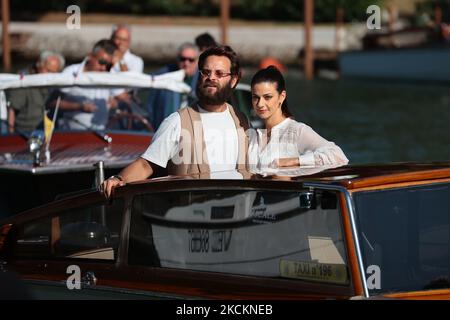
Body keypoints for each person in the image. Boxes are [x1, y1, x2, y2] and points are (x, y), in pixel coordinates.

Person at [101, 45, 249, 198]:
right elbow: (146, 165)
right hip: (192, 218)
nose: (211, 77)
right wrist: (119, 179)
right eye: (206, 72)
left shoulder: (242, 121)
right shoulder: (176, 121)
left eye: (219, 73)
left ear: (234, 80)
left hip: (239, 216)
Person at [248, 65, 348, 172]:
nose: (260, 104)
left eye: (267, 97)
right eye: (256, 97)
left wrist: (294, 161)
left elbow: (339, 157)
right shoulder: (254, 136)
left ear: (282, 96)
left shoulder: (296, 131)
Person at [55, 39, 125, 130]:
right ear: (90, 56)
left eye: (107, 65)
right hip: (71, 134)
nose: (104, 68)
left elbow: (125, 99)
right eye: (101, 62)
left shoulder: (109, 74)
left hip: (102, 136)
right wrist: (79, 107)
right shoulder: (70, 72)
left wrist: (115, 104)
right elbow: (52, 103)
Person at [6, 51, 65, 133]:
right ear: (39, 65)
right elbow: (12, 110)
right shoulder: (23, 81)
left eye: (54, 73)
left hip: (51, 131)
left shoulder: (57, 83)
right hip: (25, 132)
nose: (50, 75)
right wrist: (11, 134)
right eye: (48, 70)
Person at [146, 42, 199, 129]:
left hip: (192, 131)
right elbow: (151, 105)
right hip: (164, 129)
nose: (186, 63)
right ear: (178, 59)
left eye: (191, 60)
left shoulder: (203, 79)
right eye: (183, 59)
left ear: (197, 61)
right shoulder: (163, 75)